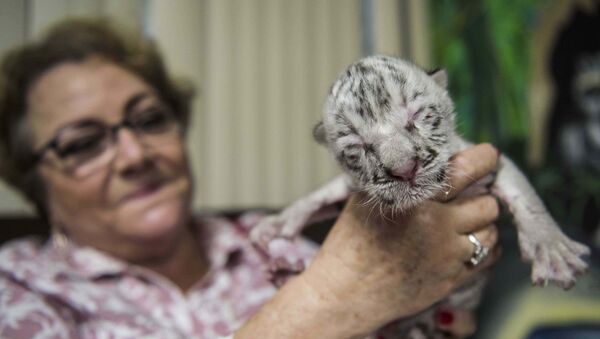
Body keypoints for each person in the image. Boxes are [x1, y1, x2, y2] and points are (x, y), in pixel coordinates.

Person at [0, 19, 500, 338]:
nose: (134, 154)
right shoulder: (17, 289)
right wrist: (328, 302)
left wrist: (444, 302)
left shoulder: (268, 238)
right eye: (84, 144)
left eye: (150, 119)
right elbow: (356, 295)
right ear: (35, 182)